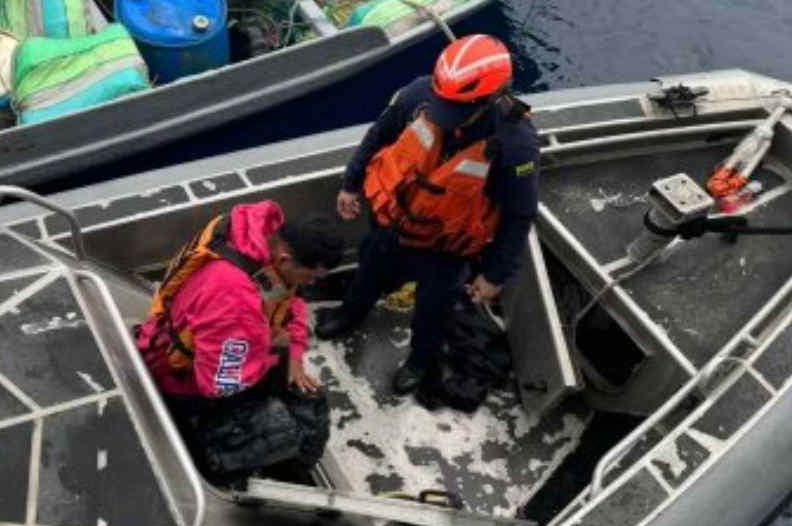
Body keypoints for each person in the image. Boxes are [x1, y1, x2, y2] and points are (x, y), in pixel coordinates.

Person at [316, 34, 541, 395]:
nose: (445, 117)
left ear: (491, 98)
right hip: (392, 223)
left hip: (446, 250)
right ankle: (349, 314)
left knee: (434, 310)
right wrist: (350, 183)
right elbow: (377, 137)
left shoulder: (515, 144)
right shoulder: (417, 96)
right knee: (369, 272)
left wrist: (495, 274)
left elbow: (519, 214)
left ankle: (420, 361)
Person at [135, 200, 344, 481]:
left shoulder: (252, 237)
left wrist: (294, 353)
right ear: (285, 259)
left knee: (305, 400)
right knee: (293, 425)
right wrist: (273, 350)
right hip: (182, 381)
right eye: (309, 277)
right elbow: (220, 385)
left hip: (208, 343)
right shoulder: (235, 300)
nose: (310, 284)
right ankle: (217, 467)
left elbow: (291, 301)